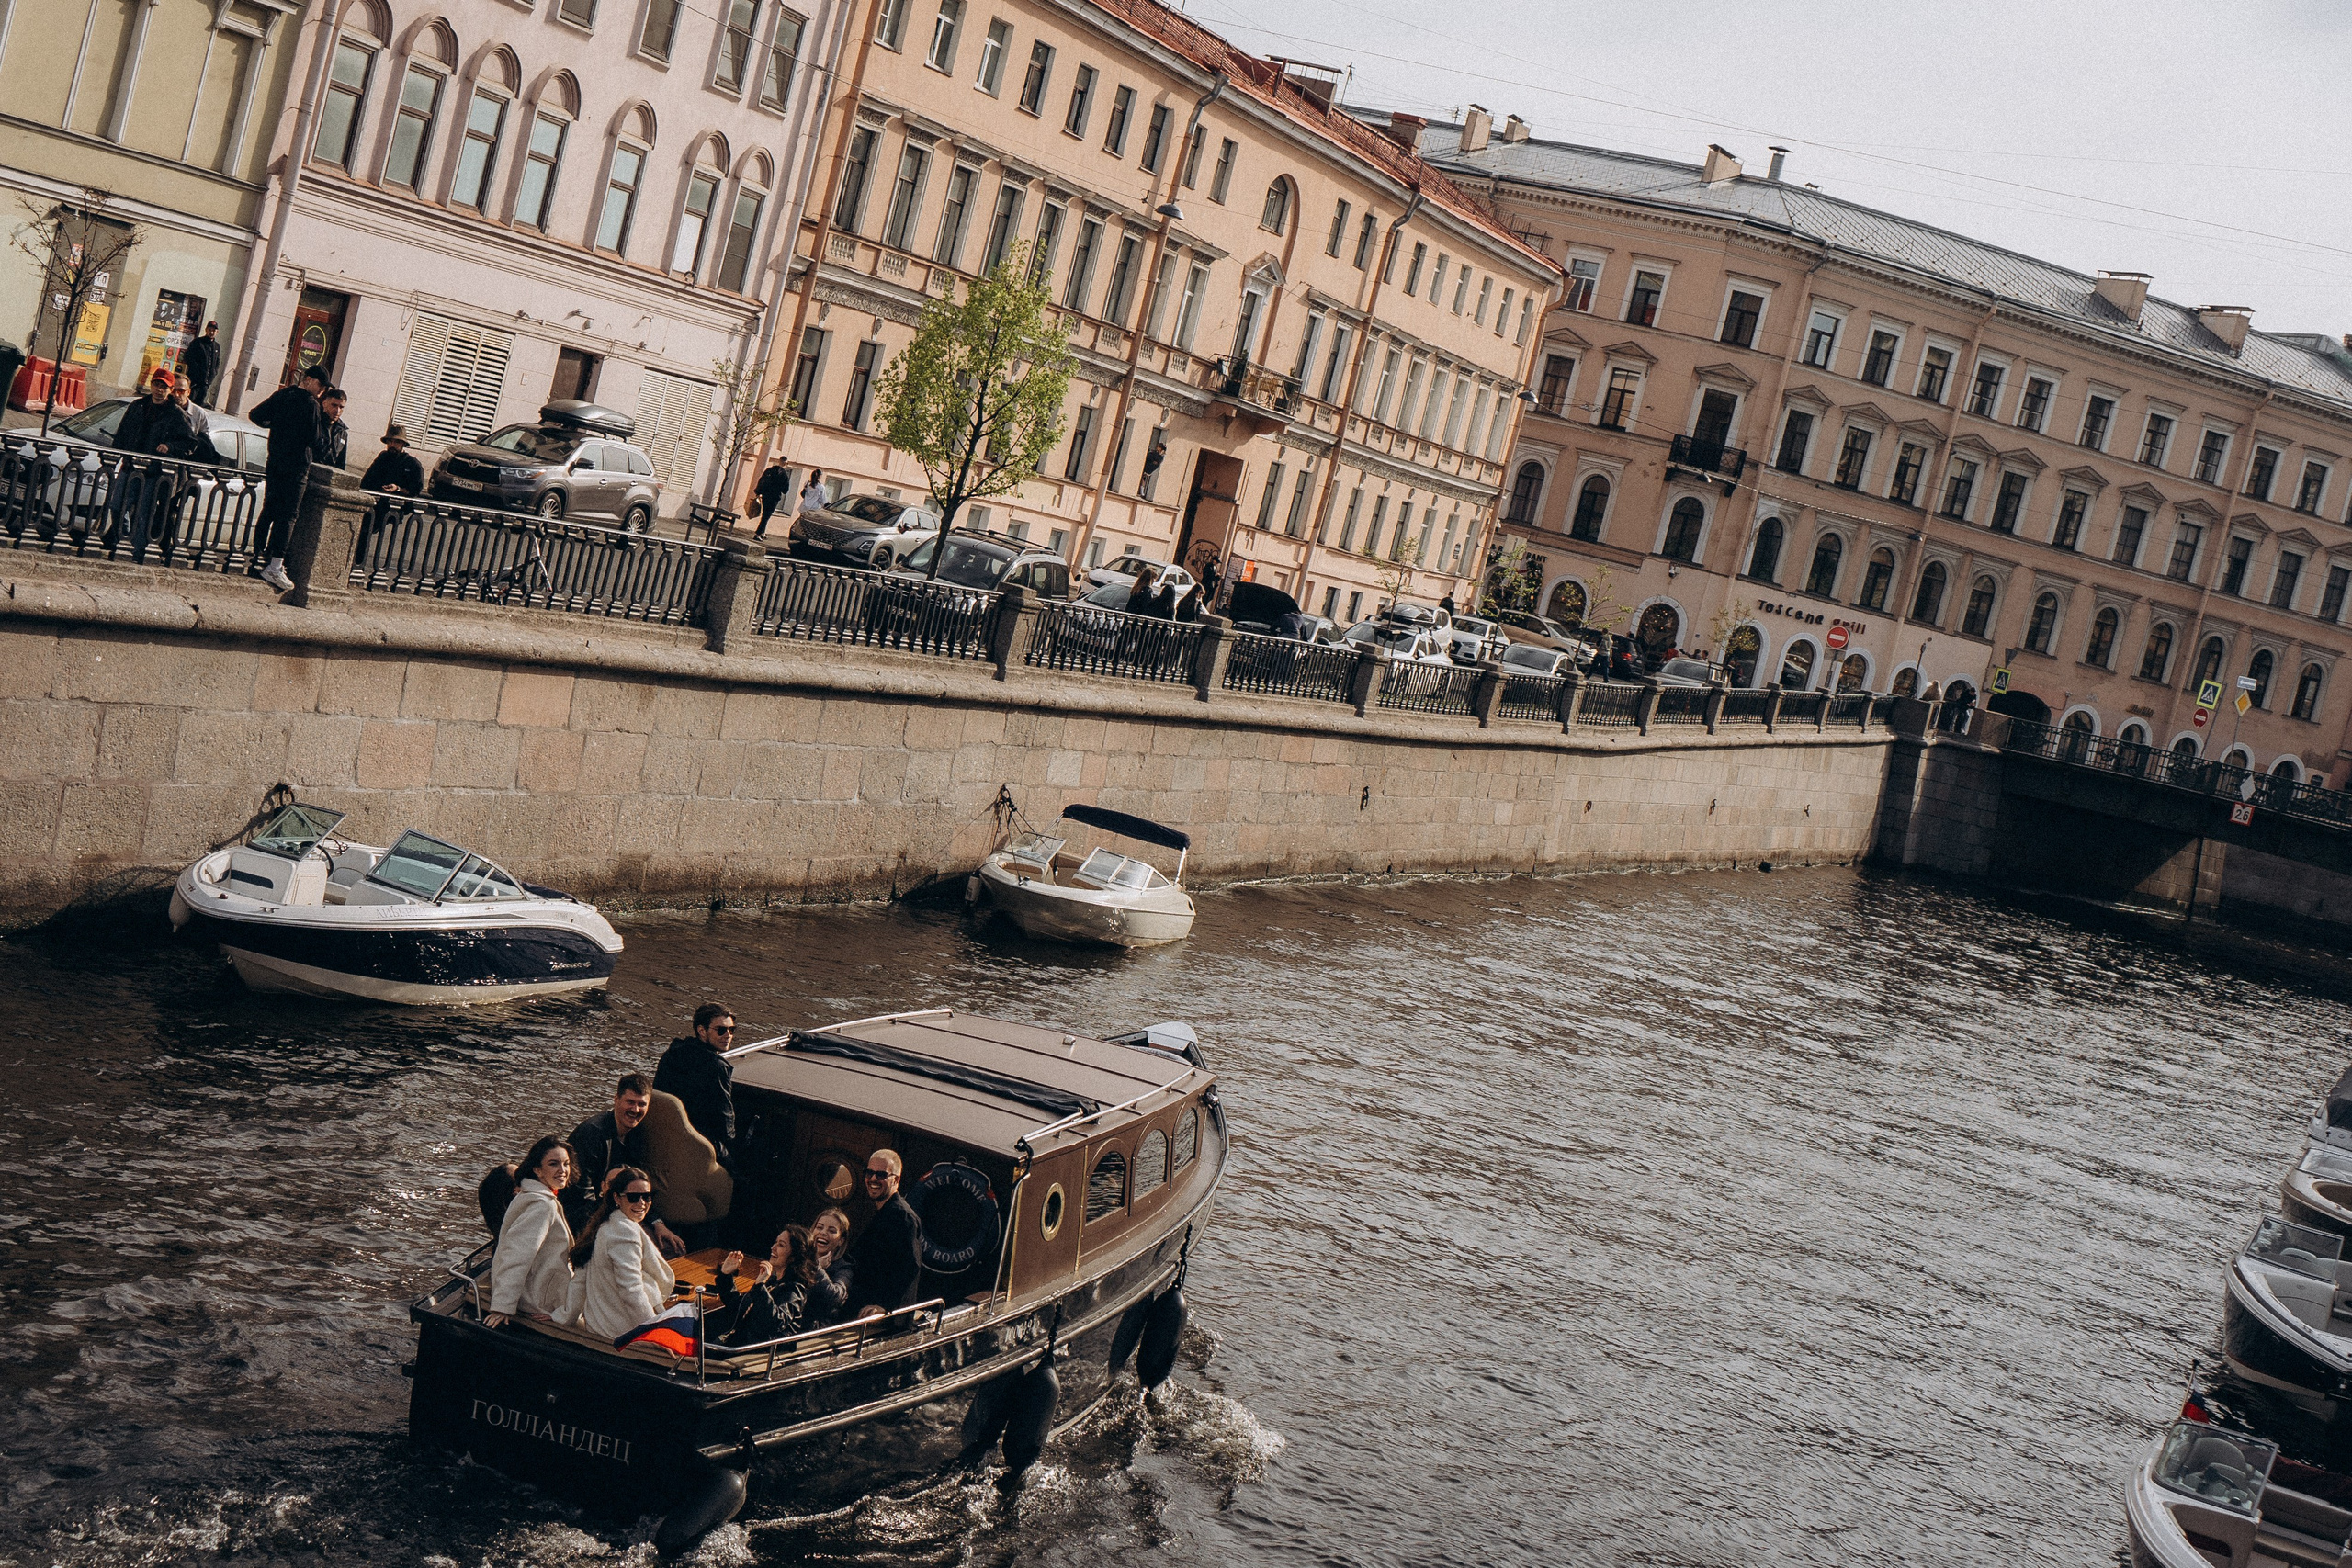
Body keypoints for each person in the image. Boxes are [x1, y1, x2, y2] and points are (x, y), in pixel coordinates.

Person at [567, 1071, 686, 1256]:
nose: (635, 1110)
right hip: (586, 1216)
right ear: (616, 1099)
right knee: (651, 1254)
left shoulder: (637, 1135)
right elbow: (581, 1195)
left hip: (621, 1209)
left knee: (673, 1247)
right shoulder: (591, 1134)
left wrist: (657, 1223)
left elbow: (638, 1185)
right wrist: (620, 1223)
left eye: (641, 1104)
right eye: (630, 1102)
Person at [561, 1166, 676, 1339]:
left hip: (600, 1325)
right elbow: (631, 1290)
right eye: (633, 1197)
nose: (642, 1203)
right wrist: (653, 1334)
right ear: (617, 1198)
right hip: (622, 1330)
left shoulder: (604, 1225)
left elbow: (580, 1280)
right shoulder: (624, 1232)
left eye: (647, 1197)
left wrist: (564, 1317)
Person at [247, 367, 327, 592]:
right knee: (288, 516)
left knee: (269, 510)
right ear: (309, 380)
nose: (321, 391)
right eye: (320, 385)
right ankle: (275, 565)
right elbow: (315, 439)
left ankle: (257, 556)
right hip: (297, 466)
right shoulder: (310, 404)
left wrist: (276, 426)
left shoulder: (282, 394)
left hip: (275, 462)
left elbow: (255, 415)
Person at [485, 1136, 576, 1328]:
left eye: (566, 1164)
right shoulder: (542, 1206)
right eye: (554, 1164)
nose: (563, 1170)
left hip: (543, 1291)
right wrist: (502, 1306)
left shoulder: (533, 1196)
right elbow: (517, 1254)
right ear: (538, 1170)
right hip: (542, 1302)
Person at [654, 1003, 739, 1171]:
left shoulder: (674, 1052)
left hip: (666, 1134)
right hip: (699, 1142)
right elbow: (724, 1119)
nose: (728, 1036)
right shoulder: (717, 1067)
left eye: (732, 1030)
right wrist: (736, 1148)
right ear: (702, 1031)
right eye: (721, 1030)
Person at [842, 1149, 922, 1317]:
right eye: (869, 1173)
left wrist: (884, 1307)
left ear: (896, 1180)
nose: (872, 1179)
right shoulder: (884, 1212)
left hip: (881, 1316)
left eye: (881, 1175)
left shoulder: (902, 1217)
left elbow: (909, 1267)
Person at [712, 1224, 819, 1346]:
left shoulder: (794, 1289)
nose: (773, 1247)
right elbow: (738, 1308)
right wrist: (726, 1275)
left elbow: (777, 1321)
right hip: (740, 1342)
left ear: (794, 1256)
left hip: (758, 1353)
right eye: (775, 1242)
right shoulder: (773, 1281)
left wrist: (760, 1287)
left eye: (781, 1245)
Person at [806, 1206, 854, 1324]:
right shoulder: (799, 1258)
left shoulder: (844, 1268)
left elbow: (836, 1297)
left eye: (832, 1231)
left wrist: (816, 1268)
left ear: (841, 1241)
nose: (823, 1233)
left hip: (815, 1329)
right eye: (819, 1227)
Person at [360, 425, 424, 494]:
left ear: (403, 444)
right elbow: (366, 482)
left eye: (397, 442)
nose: (392, 445)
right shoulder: (382, 458)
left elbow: (416, 491)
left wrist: (398, 489)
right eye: (390, 441)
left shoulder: (413, 464)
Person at [183, 321, 222, 407]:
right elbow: (187, 357)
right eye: (210, 330)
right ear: (206, 330)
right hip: (195, 380)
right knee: (189, 402)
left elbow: (217, 362)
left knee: (199, 404)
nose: (211, 332)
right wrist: (196, 370)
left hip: (206, 382)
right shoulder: (198, 342)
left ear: (217, 332)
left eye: (214, 331)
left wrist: (214, 372)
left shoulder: (216, 346)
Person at [752, 460, 791, 538]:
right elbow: (785, 490)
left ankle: (762, 532)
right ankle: (758, 533)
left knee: (765, 514)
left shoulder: (769, 470)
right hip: (774, 497)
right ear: (785, 464)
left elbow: (762, 480)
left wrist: (758, 492)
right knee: (766, 516)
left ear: (779, 461)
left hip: (766, 495)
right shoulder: (784, 475)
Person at [314, 388, 350, 469]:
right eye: (334, 405)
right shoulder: (314, 424)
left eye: (341, 407)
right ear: (324, 403)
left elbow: (341, 463)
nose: (337, 410)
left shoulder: (342, 433)